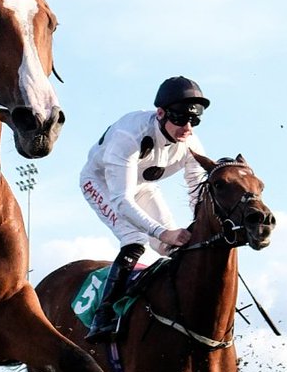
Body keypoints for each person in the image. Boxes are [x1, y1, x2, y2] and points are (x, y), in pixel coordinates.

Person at [79, 76, 211, 343]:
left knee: (175, 247)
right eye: (181, 119)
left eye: (194, 121)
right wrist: (162, 232)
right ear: (160, 113)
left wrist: (198, 229)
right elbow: (121, 201)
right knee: (136, 239)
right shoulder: (129, 135)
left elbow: (197, 191)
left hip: (142, 187)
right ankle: (103, 316)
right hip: (104, 185)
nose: (187, 128)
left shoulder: (191, 143)